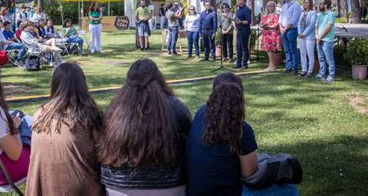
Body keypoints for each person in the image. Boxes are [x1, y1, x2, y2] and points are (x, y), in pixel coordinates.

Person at [186, 73, 302, 196]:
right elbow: (250, 175)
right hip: (228, 192)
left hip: (193, 191)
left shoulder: (201, 113)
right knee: (289, 188)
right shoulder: (242, 130)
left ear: (213, 92)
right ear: (241, 94)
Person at [98, 59, 191, 195]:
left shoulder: (114, 110)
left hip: (120, 187)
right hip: (168, 186)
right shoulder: (177, 108)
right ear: (159, 78)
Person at [26, 62, 103, 195]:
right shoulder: (88, 114)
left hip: (41, 187)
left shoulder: (40, 113)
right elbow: (103, 153)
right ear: (82, 84)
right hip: (80, 189)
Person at [279, 0, 302, 74]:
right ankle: (288, 67)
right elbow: (280, 17)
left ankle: (295, 68)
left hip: (291, 30)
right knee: (286, 50)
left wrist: (285, 29)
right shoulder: (284, 6)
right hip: (283, 29)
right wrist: (281, 27)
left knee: (293, 50)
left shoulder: (296, 5)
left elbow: (293, 19)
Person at [315, 0, 336, 83]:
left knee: (329, 59)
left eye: (321, 4)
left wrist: (319, 37)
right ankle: (322, 74)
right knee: (321, 58)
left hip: (327, 40)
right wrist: (317, 36)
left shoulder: (331, 14)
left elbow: (328, 28)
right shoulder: (320, 15)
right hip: (319, 39)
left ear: (326, 5)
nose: (319, 5)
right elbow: (316, 26)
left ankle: (331, 76)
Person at [259, 1, 281, 71]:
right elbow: (261, 23)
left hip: (272, 34)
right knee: (268, 50)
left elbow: (276, 25)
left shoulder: (276, 15)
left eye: (272, 6)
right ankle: (270, 65)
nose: (270, 8)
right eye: (269, 6)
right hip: (266, 34)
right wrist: (262, 26)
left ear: (274, 7)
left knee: (272, 50)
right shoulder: (265, 15)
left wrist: (268, 26)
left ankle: (273, 65)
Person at [298, 0, 317, 78]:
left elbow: (312, 25)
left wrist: (304, 34)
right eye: (304, 2)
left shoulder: (313, 13)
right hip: (301, 36)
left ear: (310, 4)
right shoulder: (302, 13)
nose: (305, 4)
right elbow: (298, 24)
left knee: (310, 53)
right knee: (302, 53)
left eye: (307, 2)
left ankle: (309, 71)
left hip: (309, 36)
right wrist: (299, 33)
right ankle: (304, 70)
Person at [235, 0, 252, 69]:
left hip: (244, 30)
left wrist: (241, 22)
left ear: (243, 1)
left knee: (244, 47)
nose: (237, 1)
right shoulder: (238, 10)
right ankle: (238, 63)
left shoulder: (246, 9)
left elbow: (248, 21)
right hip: (239, 30)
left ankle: (244, 64)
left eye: (239, 0)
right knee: (238, 47)